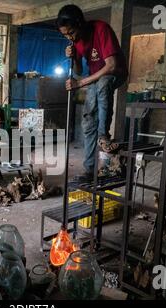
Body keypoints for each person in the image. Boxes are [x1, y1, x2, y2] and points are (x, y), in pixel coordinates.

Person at [56, 5, 128, 182]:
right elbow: (80, 71)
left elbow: (110, 65)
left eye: (71, 32)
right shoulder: (76, 41)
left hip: (115, 73)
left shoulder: (101, 28)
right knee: (88, 121)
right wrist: (73, 58)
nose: (70, 37)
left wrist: (80, 84)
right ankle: (89, 169)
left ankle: (104, 136)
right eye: (65, 35)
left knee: (103, 85)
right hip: (95, 78)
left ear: (80, 24)